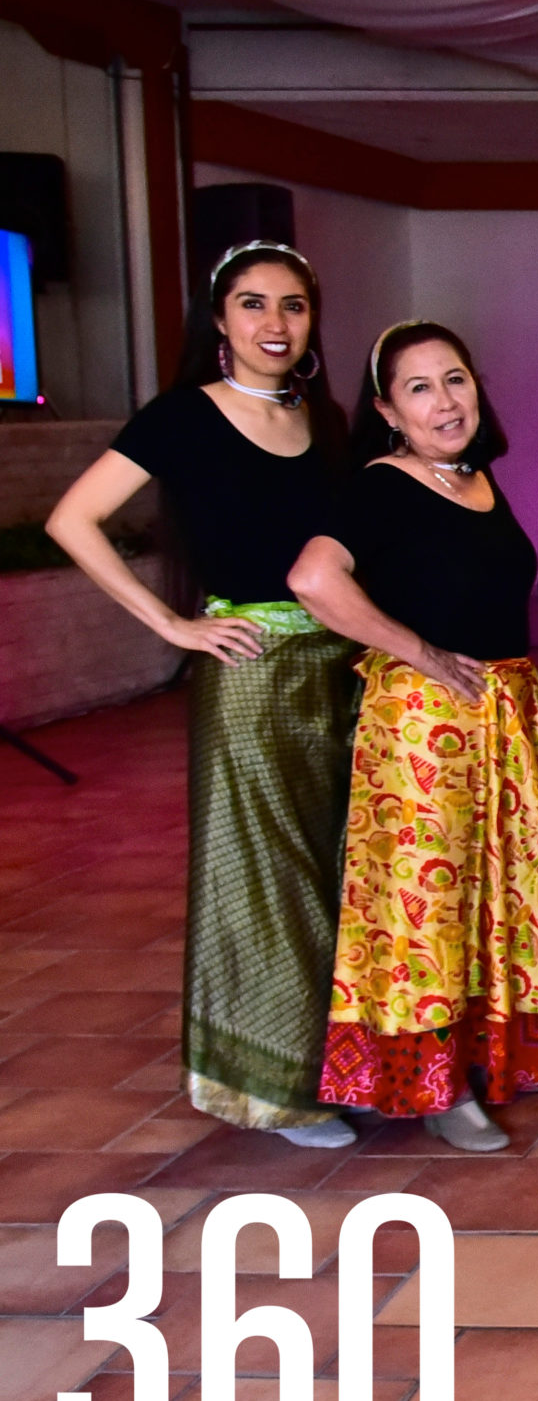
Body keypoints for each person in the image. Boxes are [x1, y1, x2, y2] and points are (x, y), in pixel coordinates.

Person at [46, 242, 360, 1146]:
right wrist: (171, 625)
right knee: (270, 880)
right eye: (254, 304)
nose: (275, 323)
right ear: (219, 320)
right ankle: (280, 1086)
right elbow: (74, 519)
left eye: (293, 306)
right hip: (251, 674)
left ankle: (344, 1063)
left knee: (340, 867)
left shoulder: (327, 418)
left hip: (337, 672)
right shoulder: (181, 417)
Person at [288, 321, 538, 1153]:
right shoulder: (383, 484)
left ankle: (481, 1061)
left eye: (454, 380)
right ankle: (431, 1086)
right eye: (419, 388)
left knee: (508, 887)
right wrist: (415, 651)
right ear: (387, 409)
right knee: (429, 908)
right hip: (424, 724)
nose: (445, 401)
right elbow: (312, 577)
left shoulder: (473, 478)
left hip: (499, 714)